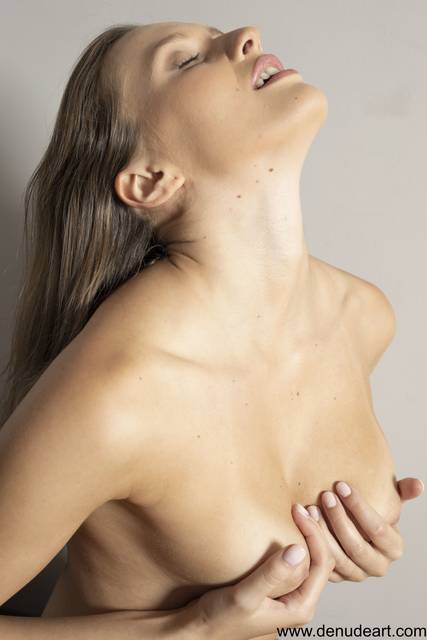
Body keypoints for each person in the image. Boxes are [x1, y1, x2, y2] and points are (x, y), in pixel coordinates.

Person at [0, 20, 423, 639]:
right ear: (151, 180)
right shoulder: (117, 390)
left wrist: (356, 541)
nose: (246, 35)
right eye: (185, 61)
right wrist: (189, 628)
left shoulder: (364, 317)